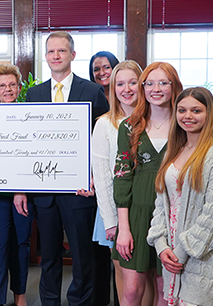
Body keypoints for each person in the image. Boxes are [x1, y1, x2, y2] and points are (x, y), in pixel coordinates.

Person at [24, 31, 108, 306]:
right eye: (51, 52)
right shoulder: (34, 94)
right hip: (44, 192)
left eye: (61, 51)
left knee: (82, 257)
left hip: (79, 190)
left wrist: (95, 176)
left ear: (72, 55)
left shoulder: (92, 91)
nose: (56, 56)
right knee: (48, 257)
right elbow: (27, 143)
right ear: (46, 57)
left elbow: (103, 140)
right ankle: (49, 302)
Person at [147, 87, 213, 306]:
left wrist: (181, 252)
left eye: (196, 111)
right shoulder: (173, 151)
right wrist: (161, 245)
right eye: (182, 110)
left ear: (209, 114)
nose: (188, 116)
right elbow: (161, 204)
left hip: (203, 259)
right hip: (172, 256)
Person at [113, 62, 183, 306]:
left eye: (163, 82)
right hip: (136, 215)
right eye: (150, 83)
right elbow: (122, 177)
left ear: (174, 86)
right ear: (143, 88)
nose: (156, 88)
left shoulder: (184, 124)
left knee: (166, 291)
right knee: (132, 291)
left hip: (173, 214)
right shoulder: (130, 126)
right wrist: (123, 228)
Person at [91, 60, 143, 305]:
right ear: (113, 88)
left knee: (148, 276)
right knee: (123, 274)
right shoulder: (104, 124)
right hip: (112, 210)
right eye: (120, 84)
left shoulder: (155, 118)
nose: (127, 89)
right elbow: (101, 176)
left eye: (133, 82)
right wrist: (110, 220)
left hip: (147, 208)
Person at [0, 63, 33, 306]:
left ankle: (19, 296)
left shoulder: (31, 115)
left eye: (12, 84)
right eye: (3, 85)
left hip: (24, 193)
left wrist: (19, 188)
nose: (8, 89)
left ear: (19, 87)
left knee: (21, 244)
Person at [87, 50, 121, 306]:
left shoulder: (131, 102)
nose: (101, 73)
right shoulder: (92, 99)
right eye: (96, 69)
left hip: (124, 188)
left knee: (124, 260)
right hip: (96, 187)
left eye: (106, 67)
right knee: (100, 254)